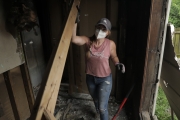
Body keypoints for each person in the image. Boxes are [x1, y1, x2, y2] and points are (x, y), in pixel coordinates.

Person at [71, 18, 125, 120]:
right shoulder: (87, 41)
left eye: (103, 29)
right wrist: (75, 21)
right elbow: (73, 39)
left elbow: (114, 56)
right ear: (95, 28)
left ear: (108, 32)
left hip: (105, 79)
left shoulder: (110, 44)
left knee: (102, 108)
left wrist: (117, 63)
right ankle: (97, 112)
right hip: (90, 78)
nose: (100, 31)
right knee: (95, 100)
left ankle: (100, 113)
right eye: (98, 27)